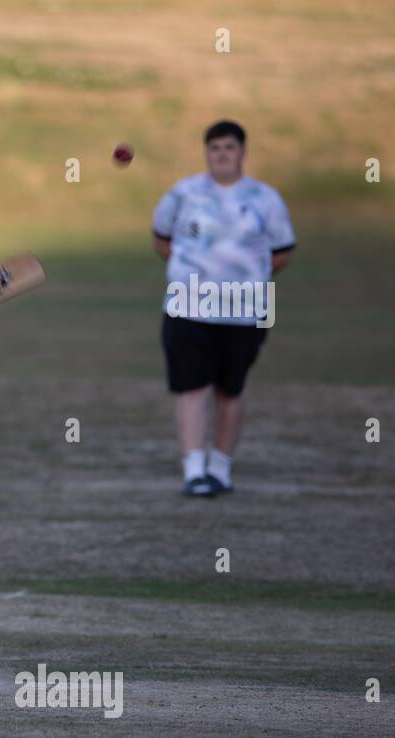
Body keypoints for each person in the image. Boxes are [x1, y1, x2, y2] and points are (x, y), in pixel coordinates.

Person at [152, 120, 295, 496]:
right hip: (188, 307)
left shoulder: (265, 199)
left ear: (243, 152)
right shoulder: (182, 195)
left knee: (230, 389)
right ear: (206, 153)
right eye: (214, 148)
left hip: (245, 310)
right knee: (191, 387)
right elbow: (162, 241)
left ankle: (221, 467)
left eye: (229, 147)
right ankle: (193, 470)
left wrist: (242, 279)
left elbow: (281, 253)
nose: (221, 154)